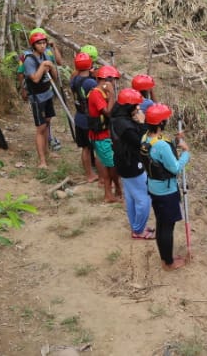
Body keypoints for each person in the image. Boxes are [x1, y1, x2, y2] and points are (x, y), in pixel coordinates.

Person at [143, 103, 190, 270]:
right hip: (166, 191)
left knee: (162, 223)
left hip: (154, 187)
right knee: (167, 226)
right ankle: (168, 263)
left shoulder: (146, 138)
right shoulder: (161, 145)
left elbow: (159, 156)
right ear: (161, 123)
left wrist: (176, 141)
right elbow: (175, 167)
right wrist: (186, 152)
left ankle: (165, 257)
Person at [110, 88, 153, 240]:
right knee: (144, 198)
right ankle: (139, 230)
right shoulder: (125, 126)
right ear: (128, 107)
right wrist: (142, 123)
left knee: (132, 197)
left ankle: (137, 227)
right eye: (135, 106)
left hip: (123, 162)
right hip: (131, 164)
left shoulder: (118, 118)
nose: (138, 108)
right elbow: (142, 142)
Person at [19, 29, 59, 168]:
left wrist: (51, 67)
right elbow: (35, 79)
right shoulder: (29, 60)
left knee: (47, 122)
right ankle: (42, 160)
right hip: (37, 97)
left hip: (47, 94)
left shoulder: (45, 55)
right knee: (40, 127)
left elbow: (54, 77)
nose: (42, 46)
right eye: (39, 44)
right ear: (33, 45)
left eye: (44, 43)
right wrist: (43, 66)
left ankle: (47, 152)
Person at [86, 65, 122, 203]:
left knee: (108, 166)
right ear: (107, 80)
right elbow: (108, 112)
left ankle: (110, 193)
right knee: (112, 165)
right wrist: (112, 95)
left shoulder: (101, 93)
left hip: (105, 134)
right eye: (113, 81)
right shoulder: (96, 94)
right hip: (100, 137)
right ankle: (115, 190)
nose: (114, 84)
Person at [69, 52, 98, 182]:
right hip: (89, 119)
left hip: (79, 117)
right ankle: (99, 174)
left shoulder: (74, 79)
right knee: (97, 147)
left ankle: (89, 174)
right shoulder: (90, 83)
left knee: (85, 148)